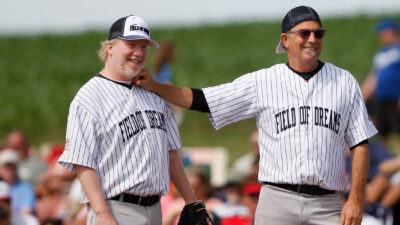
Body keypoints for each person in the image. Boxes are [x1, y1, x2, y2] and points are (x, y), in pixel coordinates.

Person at [134, 5, 378, 225]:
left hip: (327, 203)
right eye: (304, 33)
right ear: (286, 39)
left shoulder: (344, 82)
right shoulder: (263, 82)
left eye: (318, 33)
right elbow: (206, 100)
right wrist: (156, 87)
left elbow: (360, 143)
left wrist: (356, 199)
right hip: (277, 201)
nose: (312, 39)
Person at [57, 15, 199, 225]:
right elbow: (82, 163)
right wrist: (102, 214)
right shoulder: (89, 97)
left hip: (155, 209)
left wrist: (191, 201)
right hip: (115, 209)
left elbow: (170, 153)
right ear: (110, 47)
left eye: (144, 46)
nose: (139, 53)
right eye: (131, 44)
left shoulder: (154, 92)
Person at [361, 18, 400, 153]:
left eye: (382, 32)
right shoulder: (381, 53)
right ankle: (387, 161)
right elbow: (374, 77)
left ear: (390, 32)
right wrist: (360, 97)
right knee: (383, 133)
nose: (380, 36)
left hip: (396, 98)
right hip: (382, 100)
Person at [0, 149, 39, 225]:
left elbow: (27, 211)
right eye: (6, 168)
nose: (9, 171)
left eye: (12, 167)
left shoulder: (26, 188)